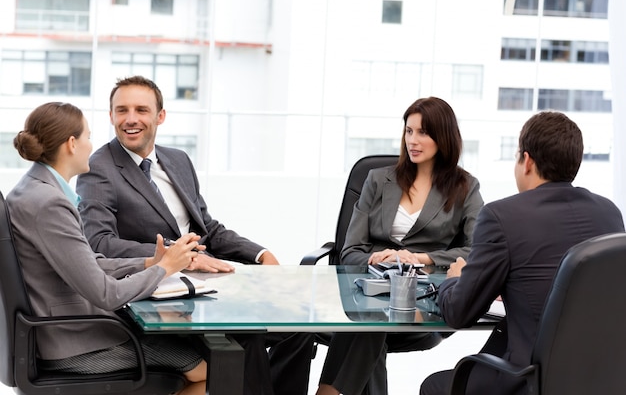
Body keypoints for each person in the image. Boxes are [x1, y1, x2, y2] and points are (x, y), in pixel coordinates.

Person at [75, 75, 313, 395]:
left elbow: (208, 228)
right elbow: (100, 243)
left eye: (141, 110)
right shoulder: (99, 167)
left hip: (209, 282)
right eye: (122, 110)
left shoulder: (178, 160)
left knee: (298, 327)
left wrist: (260, 254)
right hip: (160, 294)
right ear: (111, 116)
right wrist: (179, 255)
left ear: (160, 116)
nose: (131, 119)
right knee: (248, 336)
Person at [7, 102, 207, 395]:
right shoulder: (49, 203)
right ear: (72, 144)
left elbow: (89, 262)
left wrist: (149, 264)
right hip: (77, 345)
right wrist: (166, 268)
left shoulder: (33, 189)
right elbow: (106, 294)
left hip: (63, 335)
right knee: (212, 370)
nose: (92, 145)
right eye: (88, 136)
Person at [419, 111, 625, 395]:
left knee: (434, 386)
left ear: (526, 161)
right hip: (599, 378)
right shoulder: (609, 213)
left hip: (530, 380)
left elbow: (458, 313)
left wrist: (456, 277)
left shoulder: (502, 216)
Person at [317, 97, 485, 395]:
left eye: (423, 132)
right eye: (409, 131)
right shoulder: (378, 180)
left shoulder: (464, 187)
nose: (413, 140)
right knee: (372, 321)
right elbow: (350, 250)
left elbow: (477, 250)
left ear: (443, 137)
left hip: (424, 298)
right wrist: (381, 260)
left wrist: (419, 258)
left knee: (367, 324)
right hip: (371, 286)